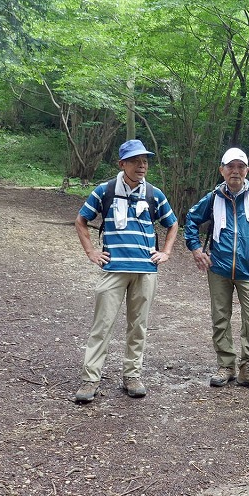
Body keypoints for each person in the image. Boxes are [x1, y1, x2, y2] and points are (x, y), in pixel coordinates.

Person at [73, 139, 179, 403]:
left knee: (138, 326)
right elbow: (81, 220)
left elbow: (173, 223)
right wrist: (91, 252)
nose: (141, 165)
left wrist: (166, 252)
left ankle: (132, 376)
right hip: (114, 269)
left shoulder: (154, 194)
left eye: (144, 161)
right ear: (122, 164)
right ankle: (90, 379)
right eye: (135, 161)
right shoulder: (105, 191)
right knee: (102, 325)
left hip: (146, 270)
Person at [183, 147, 249, 392]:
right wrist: (196, 249)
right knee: (220, 318)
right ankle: (226, 366)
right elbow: (191, 219)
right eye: (230, 167)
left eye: (240, 167)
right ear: (222, 170)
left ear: (247, 170)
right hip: (219, 267)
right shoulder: (213, 198)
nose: (235, 171)